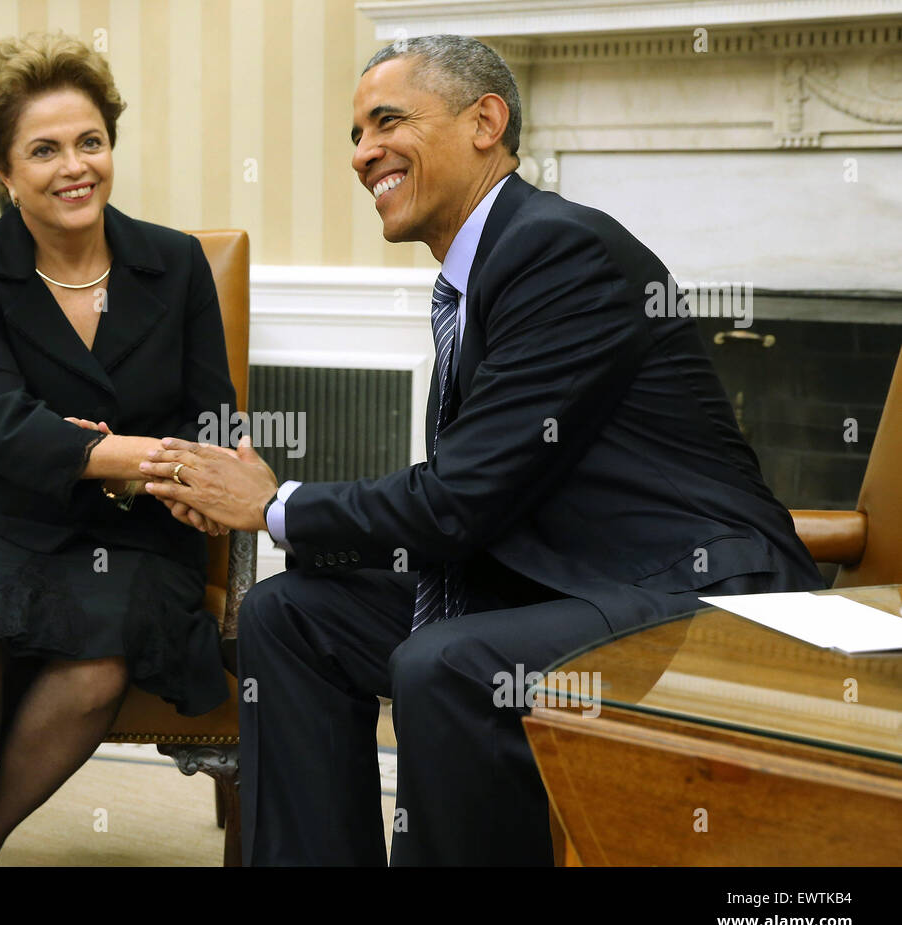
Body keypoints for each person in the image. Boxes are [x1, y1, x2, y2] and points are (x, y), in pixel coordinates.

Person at [140, 34, 824, 865]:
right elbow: (471, 500)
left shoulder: (557, 251)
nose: (363, 155)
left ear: (485, 121)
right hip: (556, 574)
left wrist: (274, 506)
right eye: (355, 136)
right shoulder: (483, 273)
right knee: (290, 615)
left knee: (446, 665)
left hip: (697, 596)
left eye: (386, 121)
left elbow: (458, 500)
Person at [0, 31, 237, 867]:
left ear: (111, 146)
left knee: (98, 661)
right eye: (45, 150)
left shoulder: (174, 265)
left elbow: (214, 422)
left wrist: (158, 467)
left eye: (90, 142)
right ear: (5, 172)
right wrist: (144, 456)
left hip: (136, 532)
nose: (75, 167)